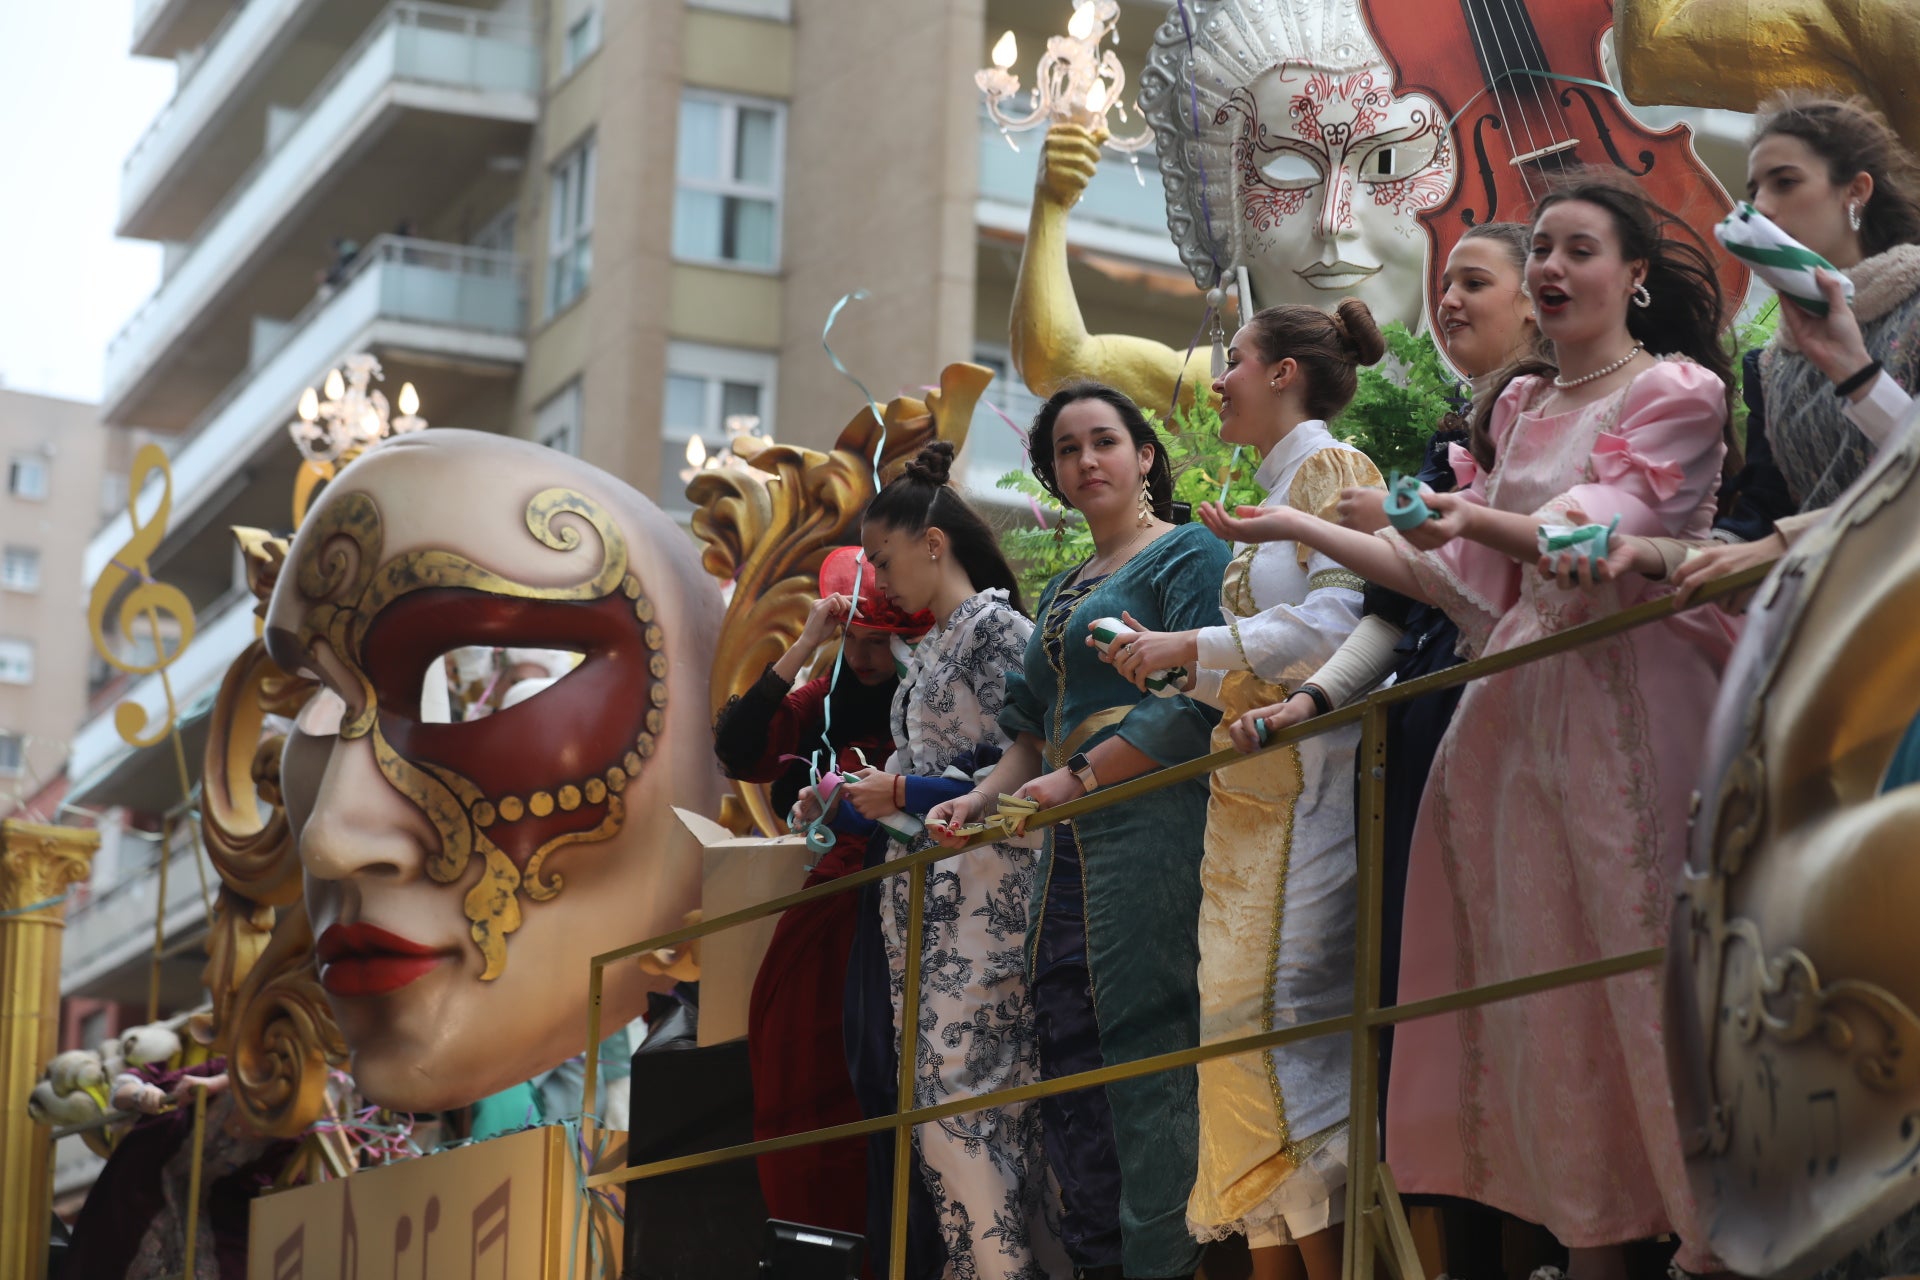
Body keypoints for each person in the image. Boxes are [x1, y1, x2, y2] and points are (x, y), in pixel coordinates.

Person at [1205, 172, 1739, 1278]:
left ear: (1637, 275)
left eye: (1579, 249)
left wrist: (1449, 513)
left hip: (1631, 712)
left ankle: (1714, 1239)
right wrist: (1302, 525)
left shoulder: (1675, 391)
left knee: (1647, 986)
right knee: (1548, 1015)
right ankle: (1593, 1251)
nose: (1553, 267)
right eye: (1542, 249)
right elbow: (1457, 582)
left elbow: (1598, 540)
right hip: (1515, 729)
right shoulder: (1518, 410)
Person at [927, 385, 1233, 1280]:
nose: (1087, 460)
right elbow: (1032, 732)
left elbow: (1199, 702)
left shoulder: (1190, 551)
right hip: (1064, 846)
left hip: (1154, 827)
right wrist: (980, 801)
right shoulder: (1063, 588)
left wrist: (1081, 778)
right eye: (1067, 449)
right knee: (1069, 1049)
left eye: (1105, 441)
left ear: (1146, 455)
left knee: (1148, 1041)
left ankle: (1167, 1262)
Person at [1107, 298, 1385, 1279]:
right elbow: (1251, 661)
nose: (1217, 381)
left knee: (1275, 1029)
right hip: (1249, 801)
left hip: (1312, 789)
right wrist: (1168, 663)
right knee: (1233, 1037)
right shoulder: (1270, 493)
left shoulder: (1336, 470)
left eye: (1235, 359)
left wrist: (1187, 644)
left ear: (1283, 373)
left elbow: (1338, 629)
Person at [836, 442, 1063, 1279]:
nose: (877, 579)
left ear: (933, 544)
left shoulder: (997, 631)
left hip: (984, 899)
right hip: (929, 907)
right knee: (940, 1109)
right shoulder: (938, 644)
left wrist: (903, 789)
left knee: (963, 1106)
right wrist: (864, 793)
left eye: (882, 559)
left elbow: (1029, 761)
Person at [1547, 92, 1920, 600]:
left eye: (1785, 182)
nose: (1761, 206)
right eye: (1754, 189)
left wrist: (1856, 374)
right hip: (1832, 617)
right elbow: (1762, 518)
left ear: (1855, 191)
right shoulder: (1772, 365)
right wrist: (1653, 554)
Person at [710, 544, 932, 1243]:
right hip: (837, 903)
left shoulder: (936, 692)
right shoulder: (826, 689)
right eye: (853, 639)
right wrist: (807, 641)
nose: (863, 656)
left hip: (923, 899)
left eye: (880, 641)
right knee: (798, 1061)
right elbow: (738, 749)